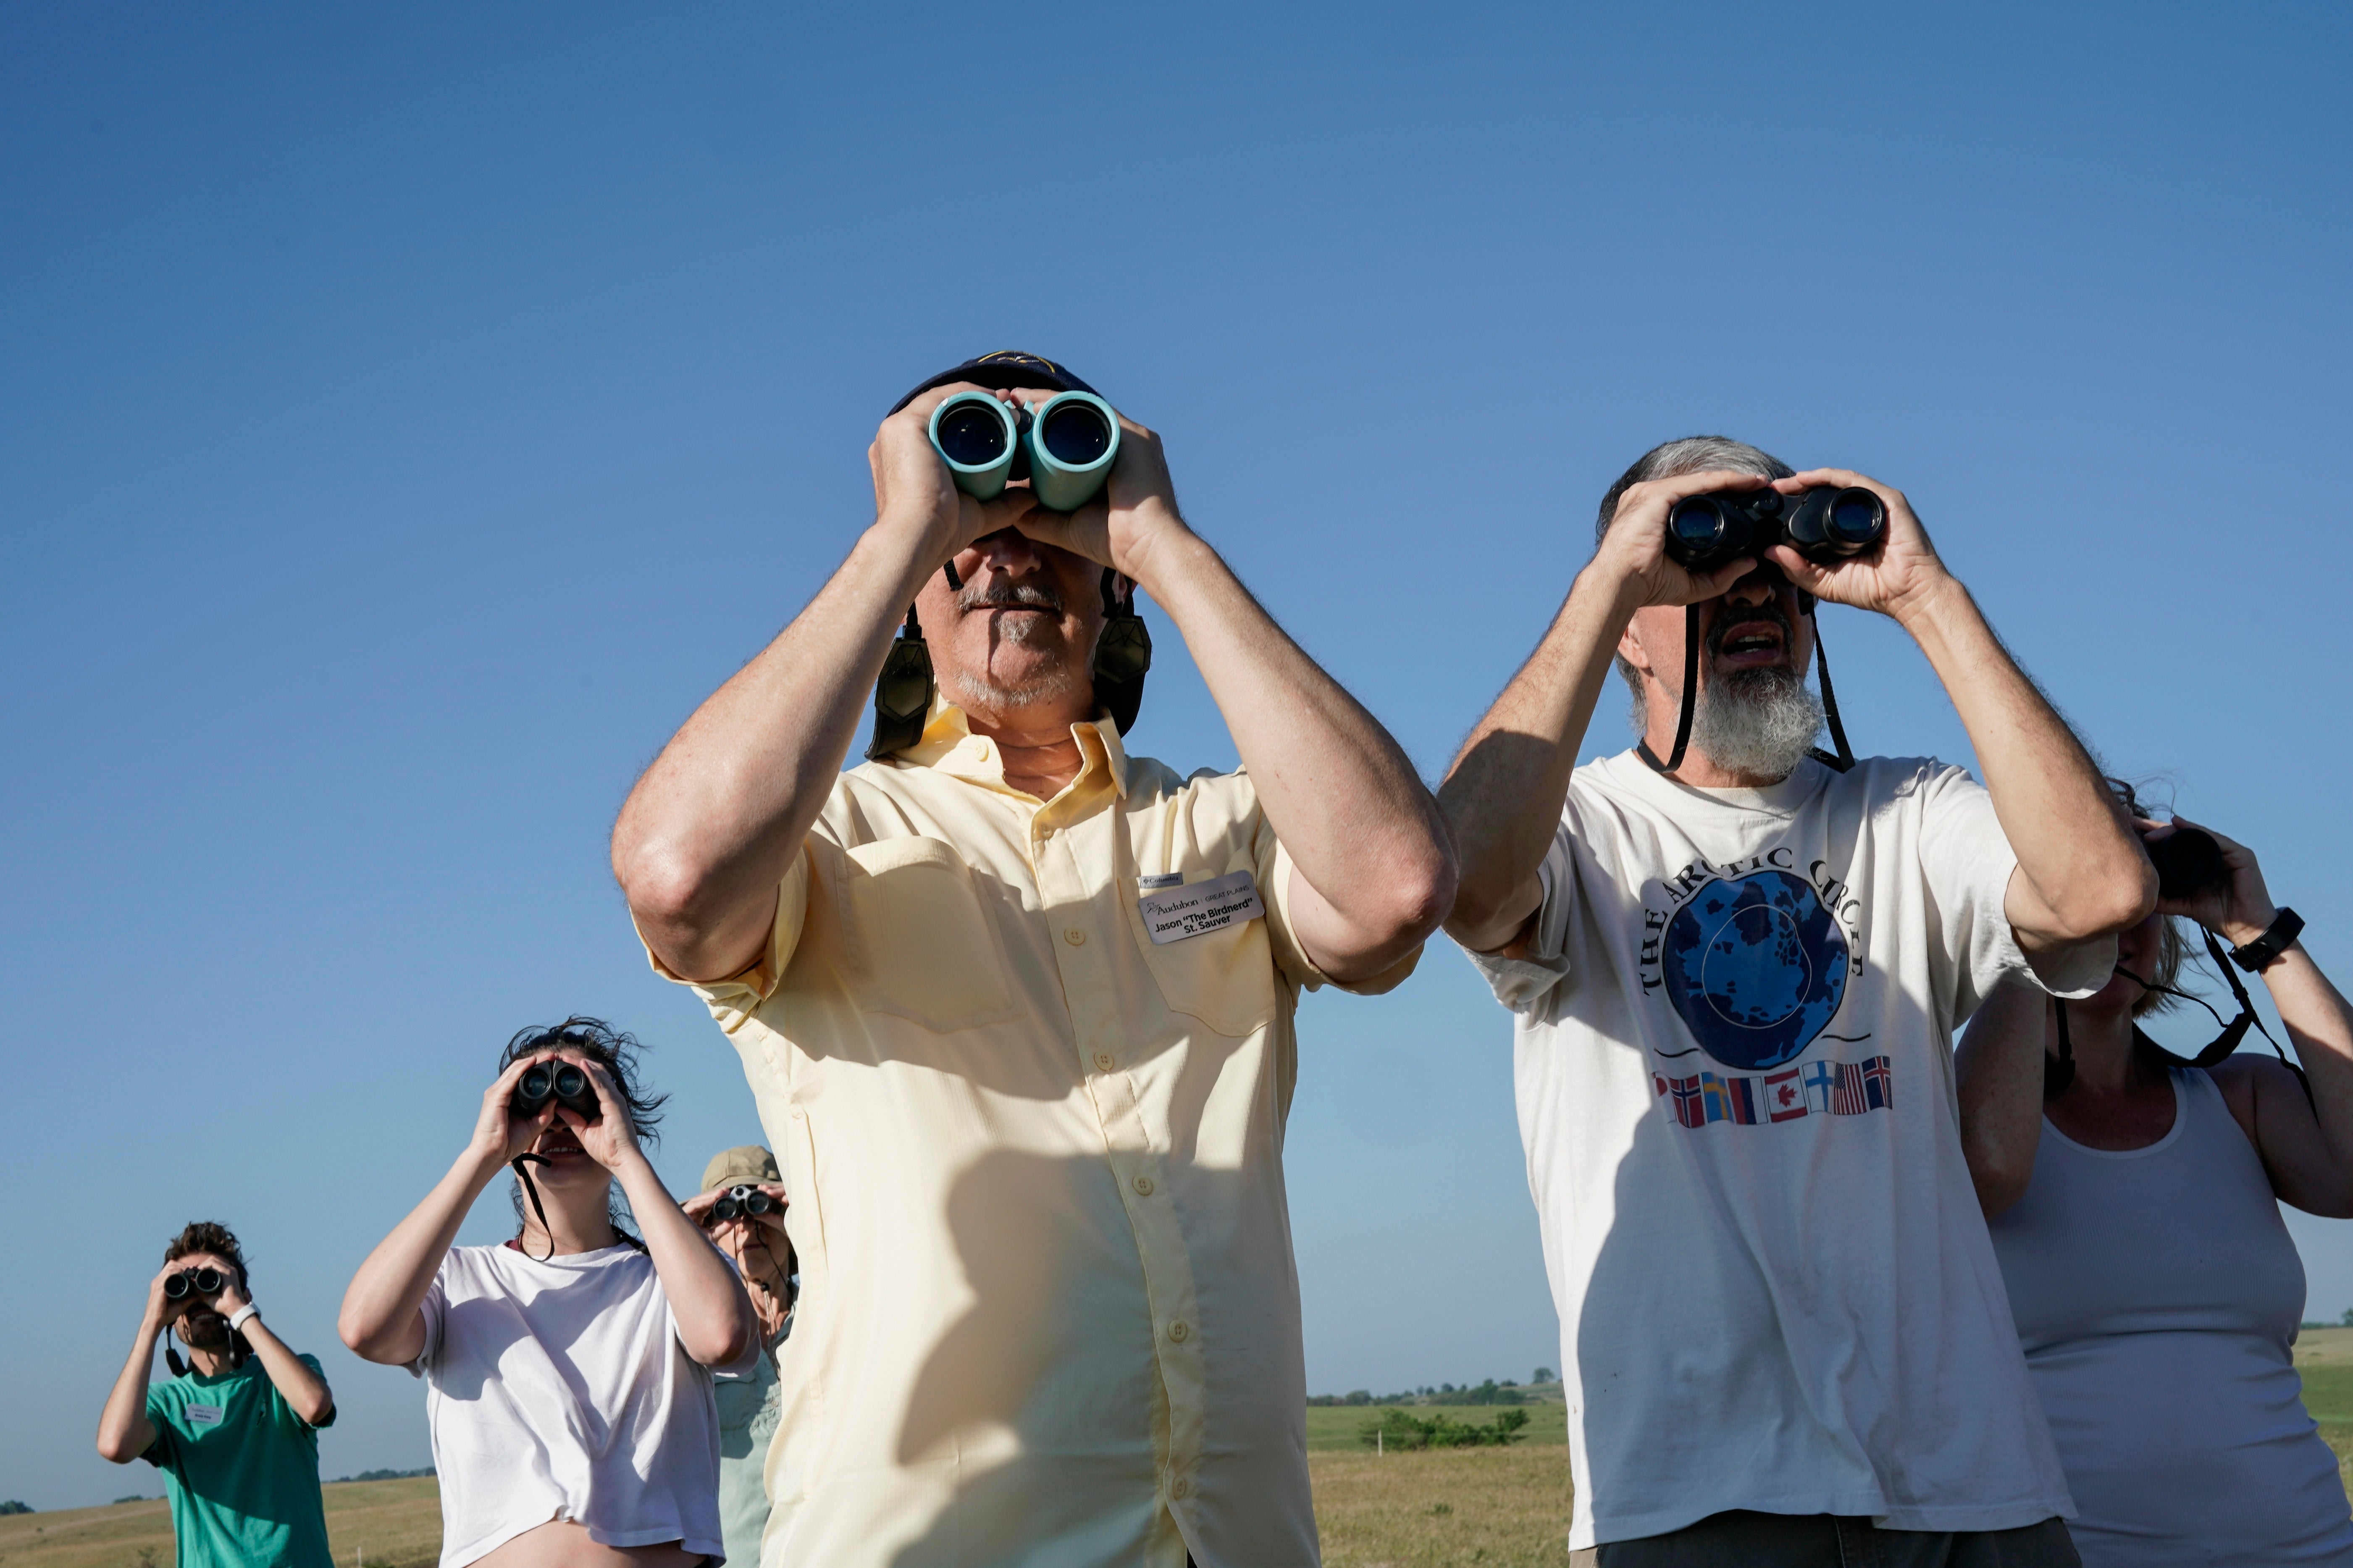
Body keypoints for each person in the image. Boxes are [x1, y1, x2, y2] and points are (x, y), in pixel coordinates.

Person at [610, 350, 1455, 1568]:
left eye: (1052, 503)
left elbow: (1396, 886)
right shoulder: (832, 842)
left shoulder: (1220, 823)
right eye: (970, 510)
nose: (1008, 545)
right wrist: (905, 533)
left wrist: (1161, 539)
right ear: (912, 597)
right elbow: (675, 876)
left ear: (1110, 585)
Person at [1439, 435, 2155, 1565]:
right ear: (1630, 615)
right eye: (1703, 555)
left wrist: (1927, 596)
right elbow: (1459, 878)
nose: (1746, 581)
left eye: (1774, 556)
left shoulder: (1907, 809)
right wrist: (1608, 584)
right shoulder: (1577, 830)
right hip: (1687, 1487)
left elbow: (2100, 891)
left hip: (1964, 1481)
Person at [1956, 804, 2353, 1565]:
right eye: (2073, 898)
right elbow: (1980, 1167)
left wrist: (2257, 929)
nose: (2106, 921)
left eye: (2133, 899)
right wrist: (2031, 931)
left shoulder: (2239, 1099)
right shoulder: (1954, 1119)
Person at [338, 1018, 758, 1568]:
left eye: (582, 1096)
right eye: (534, 1099)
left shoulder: (670, 1279)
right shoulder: (459, 1281)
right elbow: (364, 1329)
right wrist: (482, 1155)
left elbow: (723, 1338)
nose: (558, 1119)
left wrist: (625, 1157)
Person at [96, 1221, 338, 1568]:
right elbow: (114, 1445)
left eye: (210, 1281)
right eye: (184, 1291)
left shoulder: (284, 1376)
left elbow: (314, 1405)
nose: (199, 1300)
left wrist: (237, 1310)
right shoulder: (165, 1404)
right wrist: (151, 1321)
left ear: (244, 1294)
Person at [681, 1147, 795, 1568]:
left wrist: (808, 1217)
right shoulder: (691, 1334)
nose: (747, 1227)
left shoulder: (831, 1313)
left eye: (760, 1207)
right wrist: (682, 1235)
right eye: (727, 1212)